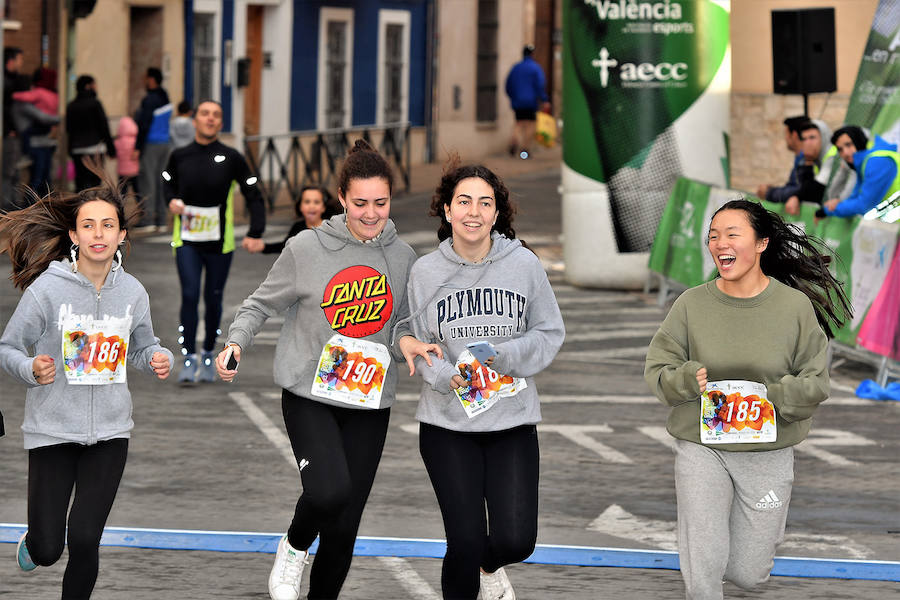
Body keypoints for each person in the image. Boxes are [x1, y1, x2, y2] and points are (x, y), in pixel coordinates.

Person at [215, 139, 441, 600]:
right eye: (360, 203)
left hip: (370, 401)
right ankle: (294, 546)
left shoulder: (403, 260)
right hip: (308, 394)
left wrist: (411, 343)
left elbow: (401, 328)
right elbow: (259, 304)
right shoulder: (306, 247)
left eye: (380, 202)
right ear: (341, 198)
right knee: (328, 492)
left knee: (344, 527)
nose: (371, 213)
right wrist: (235, 343)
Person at [644, 199, 851, 600]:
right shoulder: (691, 304)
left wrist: (773, 395)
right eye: (713, 236)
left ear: (761, 244)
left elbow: (816, 380)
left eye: (731, 234)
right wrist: (687, 379)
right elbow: (658, 368)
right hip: (703, 445)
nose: (720, 243)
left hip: (767, 451)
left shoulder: (793, 307)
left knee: (748, 572)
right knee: (704, 559)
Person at [0, 174, 173, 599]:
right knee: (49, 547)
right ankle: (35, 543)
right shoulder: (46, 291)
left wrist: (155, 357)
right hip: (53, 432)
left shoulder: (132, 292)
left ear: (121, 235)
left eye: (108, 225)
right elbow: (8, 346)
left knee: (84, 539)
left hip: (110, 434)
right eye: (90, 225)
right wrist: (30, 367)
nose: (99, 234)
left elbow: (141, 346)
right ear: (74, 234)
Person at [405, 162, 565, 600]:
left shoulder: (524, 265)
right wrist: (444, 376)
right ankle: (472, 565)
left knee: (516, 541)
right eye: (463, 201)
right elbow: (411, 342)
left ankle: (489, 567)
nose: (473, 212)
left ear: (497, 214)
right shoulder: (425, 273)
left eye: (485, 203)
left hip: (511, 422)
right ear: (446, 210)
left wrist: (506, 356)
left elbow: (550, 332)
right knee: (465, 539)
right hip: (446, 426)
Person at [163, 99, 266, 384]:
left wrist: (256, 229)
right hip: (186, 240)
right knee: (190, 293)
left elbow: (252, 191)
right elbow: (167, 181)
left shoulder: (231, 157)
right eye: (205, 114)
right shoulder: (180, 155)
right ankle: (188, 357)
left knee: (213, 298)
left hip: (220, 244)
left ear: (221, 123)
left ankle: (208, 353)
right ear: (195, 120)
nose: (210, 119)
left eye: (216, 115)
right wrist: (170, 201)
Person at [820, 125, 900, 218]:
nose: (845, 153)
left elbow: (864, 205)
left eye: (848, 145)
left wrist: (827, 210)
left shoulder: (877, 161)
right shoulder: (867, 161)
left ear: (859, 141)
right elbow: (856, 196)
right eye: (840, 149)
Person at [133, 67, 172, 232]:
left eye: (145, 78)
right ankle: (161, 219)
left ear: (151, 80)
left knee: (147, 182)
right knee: (160, 181)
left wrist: (137, 147)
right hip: (165, 143)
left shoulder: (150, 100)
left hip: (151, 143)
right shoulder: (165, 97)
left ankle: (148, 219)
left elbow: (144, 125)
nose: (143, 81)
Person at [13, 67, 60, 195]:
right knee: (41, 179)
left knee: (40, 179)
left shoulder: (31, 98)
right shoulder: (25, 103)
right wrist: (59, 119)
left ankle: (36, 207)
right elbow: (42, 117)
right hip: (38, 142)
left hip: (38, 141)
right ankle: (36, 207)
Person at [65, 75, 116, 192]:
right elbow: (104, 127)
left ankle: (81, 208)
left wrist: (71, 150)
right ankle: (94, 207)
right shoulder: (95, 104)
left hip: (77, 150)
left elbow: (69, 129)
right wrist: (111, 149)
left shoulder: (71, 106)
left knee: (81, 184)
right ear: (88, 86)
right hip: (95, 150)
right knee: (95, 184)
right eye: (95, 84)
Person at [261, 185, 337, 254]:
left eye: (316, 202)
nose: (311, 206)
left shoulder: (331, 228)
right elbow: (285, 247)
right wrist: (264, 247)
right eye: (307, 202)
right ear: (300, 206)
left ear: (324, 207)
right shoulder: (297, 228)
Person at [504, 44, 550, 160]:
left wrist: (513, 97)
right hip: (530, 102)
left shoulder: (516, 68)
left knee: (518, 123)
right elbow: (540, 85)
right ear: (532, 54)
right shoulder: (535, 68)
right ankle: (524, 150)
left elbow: (508, 85)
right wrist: (544, 99)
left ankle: (514, 141)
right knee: (530, 125)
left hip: (517, 102)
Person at [782, 119, 832, 215]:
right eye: (804, 139)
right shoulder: (816, 159)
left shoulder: (832, 156)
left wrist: (796, 197)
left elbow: (816, 190)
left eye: (812, 138)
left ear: (824, 137)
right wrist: (808, 162)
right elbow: (805, 186)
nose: (807, 143)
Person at [756, 115, 809, 203]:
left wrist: (769, 193)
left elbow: (799, 191)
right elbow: (792, 186)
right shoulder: (799, 159)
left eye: (786, 135)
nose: (785, 139)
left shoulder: (806, 160)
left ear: (794, 135)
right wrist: (771, 190)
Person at [2, 46, 24, 211]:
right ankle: (6, 207)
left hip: (14, 133)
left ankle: (13, 207)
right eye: (19, 59)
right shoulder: (5, 83)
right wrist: (8, 129)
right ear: (11, 61)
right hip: (8, 135)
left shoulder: (15, 82)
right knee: (8, 172)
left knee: (15, 172)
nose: (21, 63)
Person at [114, 115, 140, 198]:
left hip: (122, 172)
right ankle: (142, 208)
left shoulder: (117, 142)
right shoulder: (135, 142)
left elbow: (115, 155)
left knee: (122, 193)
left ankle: (120, 208)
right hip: (134, 172)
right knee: (137, 192)